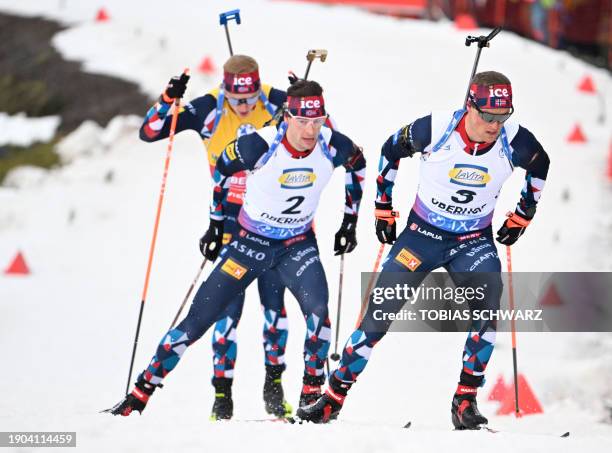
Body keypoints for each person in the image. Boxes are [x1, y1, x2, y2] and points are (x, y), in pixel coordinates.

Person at [297, 71, 550, 429]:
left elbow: (541, 165)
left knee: (489, 307)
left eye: (502, 116)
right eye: (488, 116)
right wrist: (383, 207)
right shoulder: (436, 128)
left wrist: (523, 214)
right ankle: (333, 398)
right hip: (422, 236)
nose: (495, 125)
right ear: (470, 106)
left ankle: (465, 401)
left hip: (472, 241)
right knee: (380, 312)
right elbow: (389, 151)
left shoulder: (516, 140)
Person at [109, 79, 366, 418]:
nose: (311, 130)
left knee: (319, 316)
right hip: (249, 244)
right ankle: (138, 396)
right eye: (303, 121)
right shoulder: (257, 145)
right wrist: (216, 225)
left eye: (318, 121)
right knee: (197, 321)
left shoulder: (331, 145)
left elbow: (358, 165)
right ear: (287, 116)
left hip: (297, 245)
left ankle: (310, 397)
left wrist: (350, 221)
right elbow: (222, 174)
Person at [138, 54, 312, 419]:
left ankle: (274, 387)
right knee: (225, 313)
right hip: (230, 222)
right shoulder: (208, 108)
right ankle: (222, 396)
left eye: (251, 99)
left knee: (274, 311)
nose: (246, 107)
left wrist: (301, 98)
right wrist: (169, 98)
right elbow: (151, 131)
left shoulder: (276, 100)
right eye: (238, 100)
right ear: (226, 90)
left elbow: (322, 131)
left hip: (276, 223)